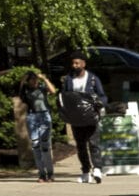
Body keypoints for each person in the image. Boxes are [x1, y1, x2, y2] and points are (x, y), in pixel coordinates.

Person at [59, 54, 108, 185]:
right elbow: (65, 96)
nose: (74, 66)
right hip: (76, 118)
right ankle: (85, 172)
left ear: (83, 64)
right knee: (80, 146)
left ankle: (97, 169)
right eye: (73, 63)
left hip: (91, 117)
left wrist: (99, 104)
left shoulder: (93, 79)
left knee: (94, 144)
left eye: (77, 63)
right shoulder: (69, 79)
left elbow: (102, 96)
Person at [18, 70, 57, 182]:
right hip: (32, 117)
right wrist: (23, 79)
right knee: (35, 145)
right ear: (28, 81)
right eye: (32, 79)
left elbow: (53, 91)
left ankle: (50, 173)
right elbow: (20, 91)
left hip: (44, 116)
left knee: (45, 146)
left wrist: (44, 78)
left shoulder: (42, 88)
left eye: (36, 79)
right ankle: (41, 174)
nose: (34, 81)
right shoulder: (25, 91)